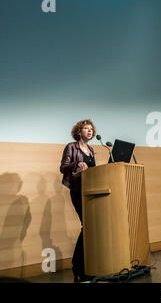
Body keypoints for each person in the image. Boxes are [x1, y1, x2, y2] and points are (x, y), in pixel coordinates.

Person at [60, 120, 96, 282]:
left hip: (91, 190)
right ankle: (78, 266)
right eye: (86, 128)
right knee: (87, 226)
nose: (89, 131)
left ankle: (83, 266)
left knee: (90, 228)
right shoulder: (71, 147)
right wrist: (76, 164)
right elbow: (63, 167)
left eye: (91, 129)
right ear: (78, 131)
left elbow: (94, 172)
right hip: (77, 190)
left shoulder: (92, 150)